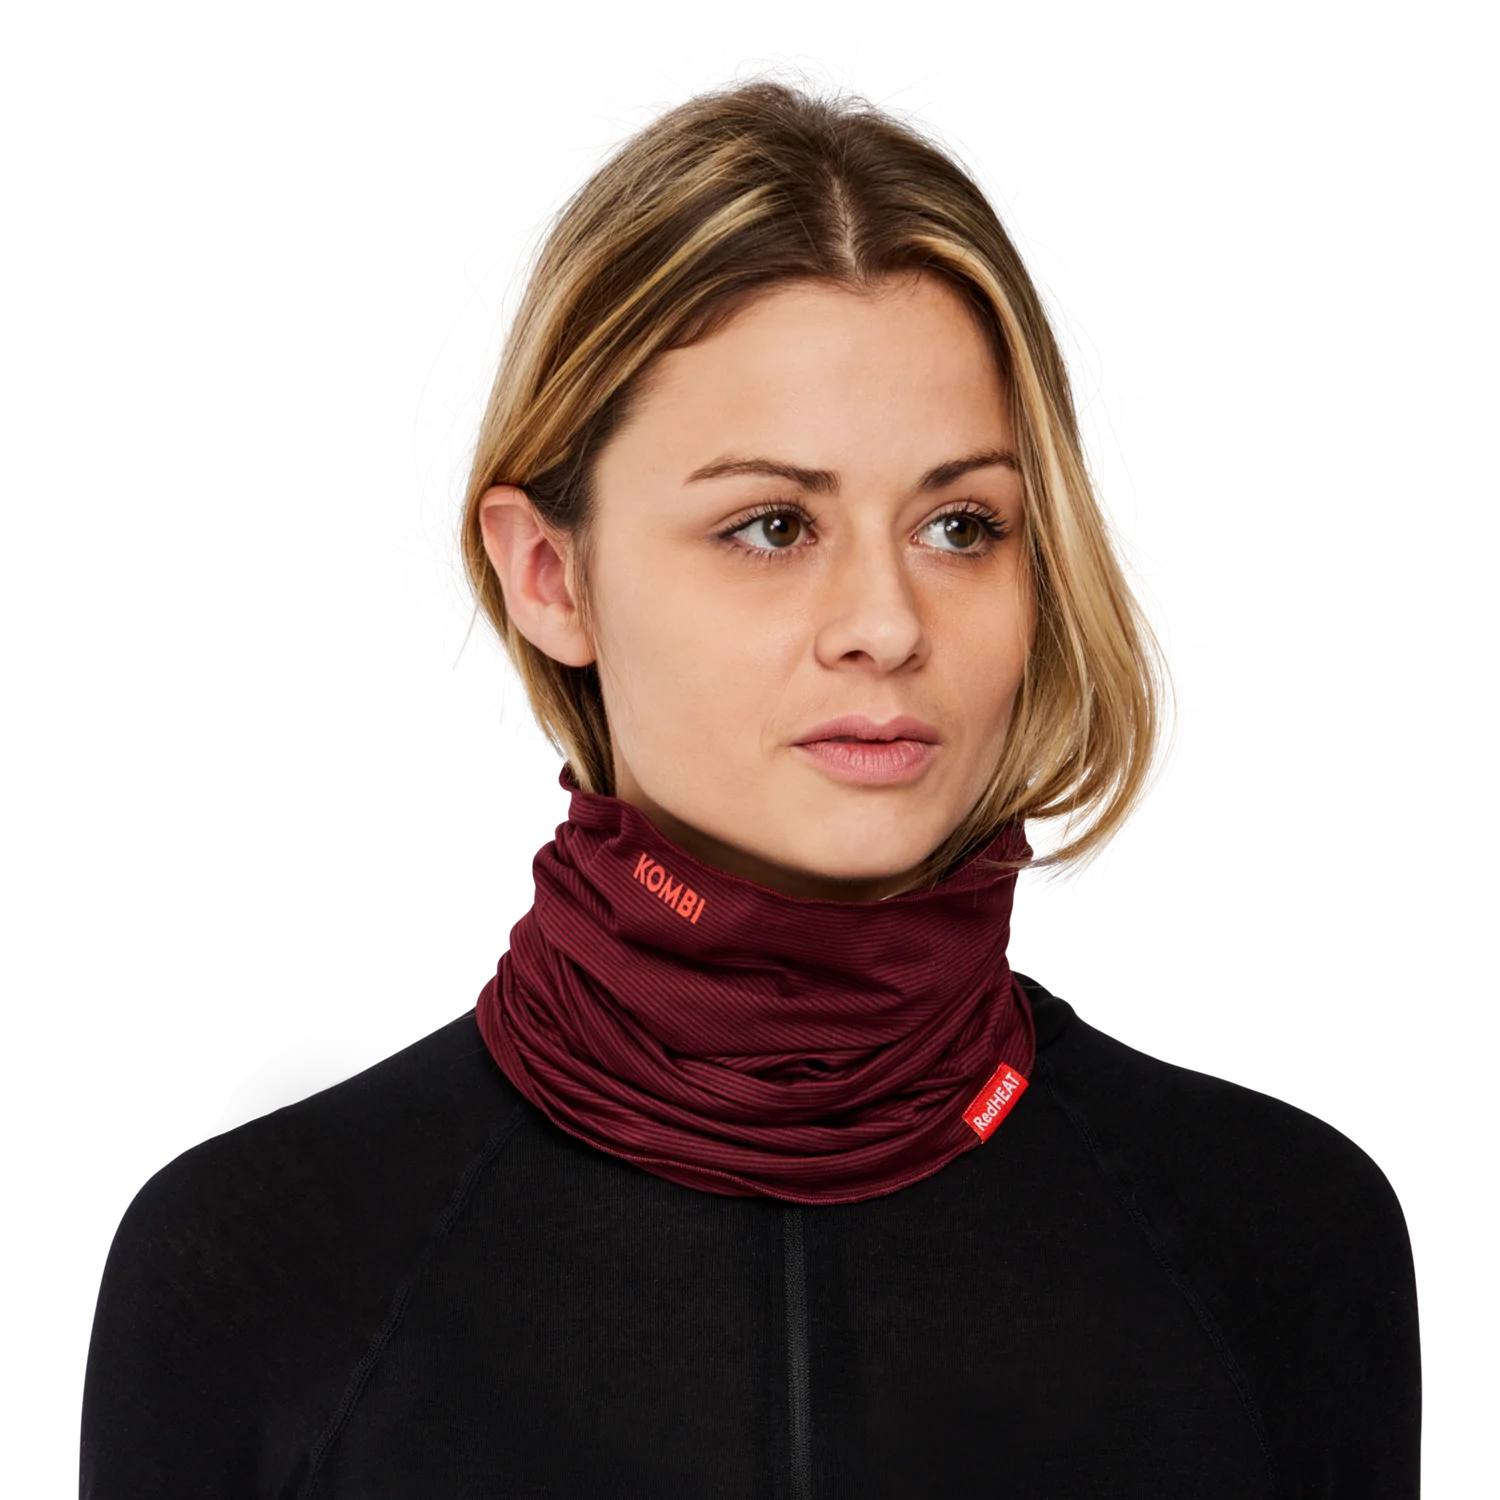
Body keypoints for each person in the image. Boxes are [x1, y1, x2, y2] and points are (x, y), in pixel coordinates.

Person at [79, 67, 1421, 1497]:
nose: (888, 624)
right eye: (773, 525)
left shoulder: (1277, 1239)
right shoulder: (260, 1264)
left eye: (961, 526)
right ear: (548, 576)